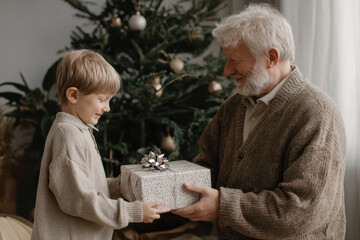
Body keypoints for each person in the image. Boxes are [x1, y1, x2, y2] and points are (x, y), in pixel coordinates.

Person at [172, 4, 346, 239]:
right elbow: (206, 168)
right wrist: (160, 181)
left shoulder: (317, 113)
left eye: (234, 60)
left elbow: (299, 212)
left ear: (271, 57)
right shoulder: (234, 106)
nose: (226, 71)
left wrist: (223, 206)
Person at [31, 49, 169, 240]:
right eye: (102, 99)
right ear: (73, 95)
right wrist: (131, 211)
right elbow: (78, 199)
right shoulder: (68, 134)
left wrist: (116, 187)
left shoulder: (79, 129)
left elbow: (82, 186)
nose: (107, 107)